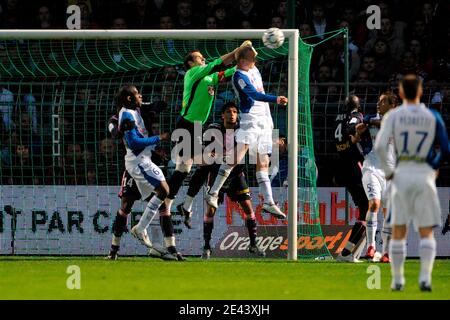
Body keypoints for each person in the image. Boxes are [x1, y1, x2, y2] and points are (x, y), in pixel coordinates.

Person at [375, 74, 450, 291]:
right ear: (419, 92)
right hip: (423, 173)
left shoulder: (393, 117)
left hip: (403, 173)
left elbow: (380, 147)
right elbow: (445, 149)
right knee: (426, 230)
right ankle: (425, 278)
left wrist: (389, 172)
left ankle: (397, 279)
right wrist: (434, 165)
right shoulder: (432, 115)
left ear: (400, 93)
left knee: (399, 229)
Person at [161, 42, 248, 218]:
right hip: (187, 125)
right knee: (197, 165)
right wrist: (237, 51)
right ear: (191, 63)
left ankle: (180, 204)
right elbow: (217, 64)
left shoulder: (208, 78)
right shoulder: (192, 74)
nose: (204, 59)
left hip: (197, 127)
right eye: (200, 58)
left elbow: (225, 73)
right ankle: (172, 203)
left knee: (188, 168)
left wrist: (245, 65)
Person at [205, 45, 288, 219]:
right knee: (236, 158)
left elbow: (247, 47)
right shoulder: (238, 76)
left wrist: (247, 47)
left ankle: (268, 202)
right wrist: (276, 99)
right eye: (252, 58)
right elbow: (253, 94)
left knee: (263, 162)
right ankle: (213, 193)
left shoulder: (253, 68)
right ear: (242, 61)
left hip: (265, 121)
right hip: (250, 120)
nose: (255, 61)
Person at [178, 102, 265, 258]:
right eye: (228, 111)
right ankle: (206, 247)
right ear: (222, 115)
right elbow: (207, 155)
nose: (232, 114)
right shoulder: (214, 129)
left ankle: (253, 244)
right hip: (216, 173)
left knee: (248, 208)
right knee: (211, 210)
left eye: (234, 112)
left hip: (236, 174)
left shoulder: (242, 131)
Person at [111, 85, 184, 261]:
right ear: (129, 99)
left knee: (163, 199)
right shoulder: (123, 116)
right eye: (137, 94)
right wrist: (160, 137)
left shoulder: (138, 110)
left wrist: (164, 102)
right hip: (136, 162)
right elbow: (125, 137)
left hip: (146, 159)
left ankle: (170, 247)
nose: (141, 96)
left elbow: (156, 105)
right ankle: (116, 247)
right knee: (128, 205)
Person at [355, 92, 397, 263]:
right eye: (378, 102)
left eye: (382, 102)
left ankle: (386, 252)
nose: (378, 104)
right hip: (371, 168)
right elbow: (358, 129)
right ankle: (371, 246)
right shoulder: (372, 117)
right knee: (374, 204)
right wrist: (359, 130)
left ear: (392, 106)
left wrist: (368, 123)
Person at [333, 95, 369, 263]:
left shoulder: (337, 117)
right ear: (357, 105)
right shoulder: (356, 115)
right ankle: (347, 253)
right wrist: (356, 135)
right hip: (355, 166)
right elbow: (351, 127)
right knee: (367, 207)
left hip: (342, 164)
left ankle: (348, 252)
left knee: (365, 208)